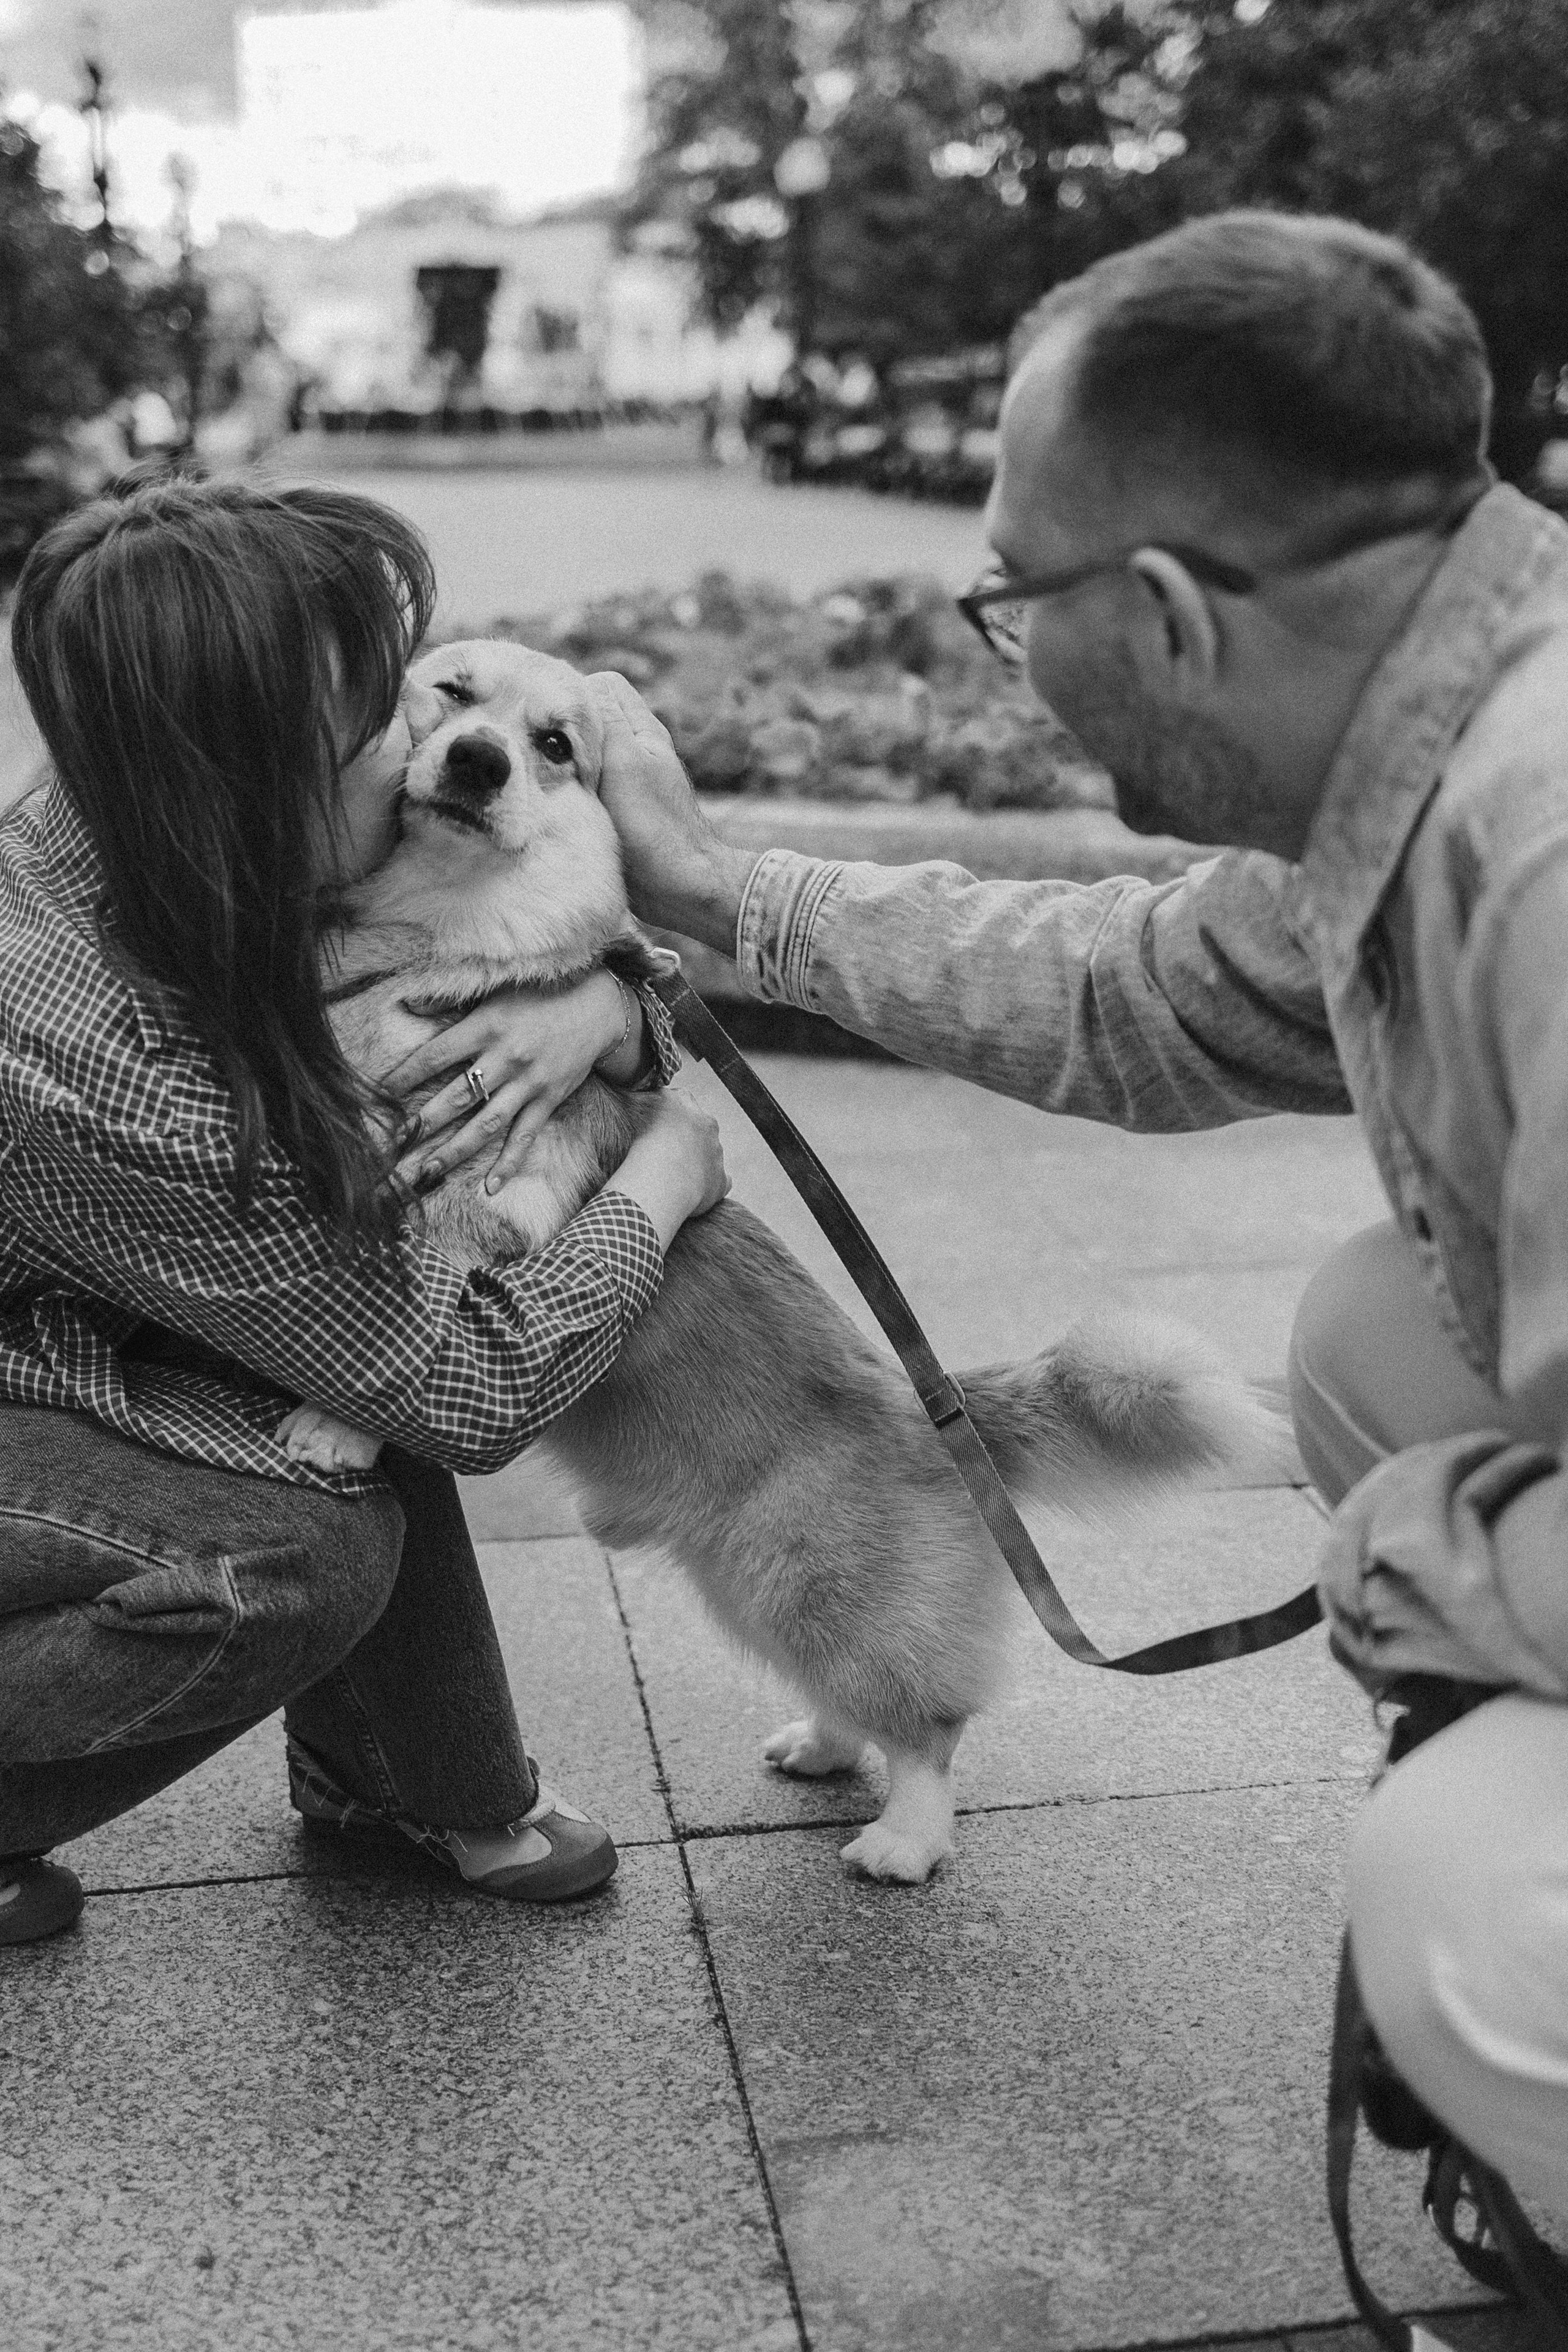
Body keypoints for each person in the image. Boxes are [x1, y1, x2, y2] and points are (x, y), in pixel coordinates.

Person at [588, 210, 1568, 2212]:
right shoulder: (1438, 734)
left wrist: (1420, 1577)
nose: (1008, 650)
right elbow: (1130, 989)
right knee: (1381, 1333)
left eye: (1008, 594)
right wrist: (725, 897)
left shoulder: (1543, 858)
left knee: (1462, 1907)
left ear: (1172, 617)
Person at [0, 477, 727, 1946]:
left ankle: (407, 1778)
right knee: (303, 1547)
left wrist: (599, 1010)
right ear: (255, 781)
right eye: (384, 728)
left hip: (90, 1304)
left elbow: (525, 943)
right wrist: (665, 1173)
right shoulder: (106, 1069)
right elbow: (457, 1383)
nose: (431, 748)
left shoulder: (152, 800)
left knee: (338, 1316)